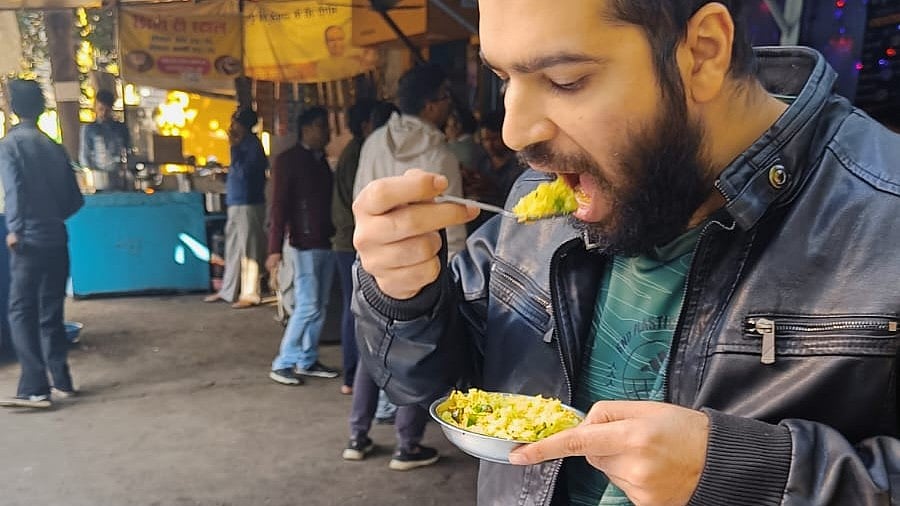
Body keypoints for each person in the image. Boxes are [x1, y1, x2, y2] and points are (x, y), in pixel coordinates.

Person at [350, 1, 900, 505]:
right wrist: (404, 297)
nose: (515, 132)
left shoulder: (881, 217)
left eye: (565, 80)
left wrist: (744, 473)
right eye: (503, 77)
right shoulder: (540, 201)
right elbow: (433, 388)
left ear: (704, 52)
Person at [0, 79, 84, 409]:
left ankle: (35, 388)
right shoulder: (54, 146)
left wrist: (15, 229)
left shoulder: (10, 145)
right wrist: (53, 216)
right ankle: (62, 381)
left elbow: (14, 191)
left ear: (13, 106)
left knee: (20, 312)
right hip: (56, 239)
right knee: (51, 312)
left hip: (29, 242)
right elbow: (75, 200)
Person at [352, 63, 466, 255]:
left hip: (377, 259)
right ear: (430, 106)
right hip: (427, 265)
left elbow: (359, 203)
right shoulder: (440, 156)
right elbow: (453, 230)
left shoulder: (373, 142)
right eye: (446, 97)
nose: (450, 104)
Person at [267, 106, 339, 385]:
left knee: (319, 304)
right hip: (304, 243)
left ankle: (307, 360)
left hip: (325, 241)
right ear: (307, 129)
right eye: (323, 127)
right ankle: (283, 362)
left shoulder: (321, 161)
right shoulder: (289, 161)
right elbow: (279, 206)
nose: (328, 133)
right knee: (308, 305)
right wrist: (273, 249)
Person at [332, 98, 377, 395]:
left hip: (347, 238)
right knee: (356, 311)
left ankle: (352, 375)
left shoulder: (354, 150)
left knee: (354, 309)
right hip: (352, 239)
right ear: (365, 126)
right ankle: (352, 374)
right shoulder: (360, 151)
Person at [204, 108, 268, 309]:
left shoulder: (252, 146)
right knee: (232, 248)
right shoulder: (241, 146)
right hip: (236, 202)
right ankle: (228, 290)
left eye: (234, 123)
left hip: (249, 203)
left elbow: (247, 173)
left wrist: (234, 147)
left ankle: (250, 294)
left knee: (250, 250)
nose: (231, 128)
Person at [79, 89, 131, 191]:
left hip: (119, 178)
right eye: (101, 109)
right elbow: (85, 155)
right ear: (95, 107)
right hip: (98, 179)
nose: (103, 113)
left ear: (112, 109)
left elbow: (128, 150)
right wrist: (90, 174)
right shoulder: (89, 129)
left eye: (107, 110)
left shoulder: (121, 128)